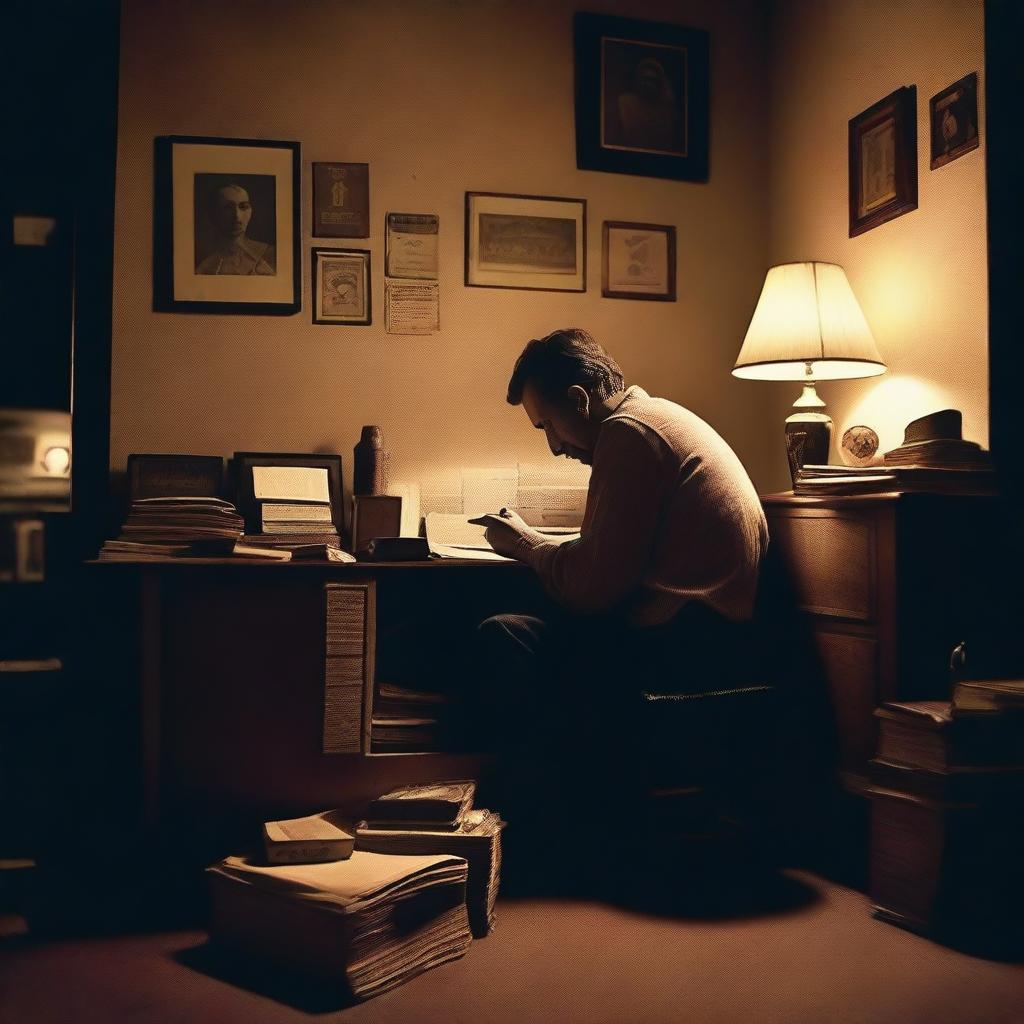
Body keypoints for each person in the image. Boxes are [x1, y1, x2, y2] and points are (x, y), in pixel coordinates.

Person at [465, 328, 769, 850]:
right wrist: (542, 546)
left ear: (580, 400)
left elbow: (591, 590)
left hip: (690, 643)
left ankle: (557, 824)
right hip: (717, 632)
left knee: (503, 634)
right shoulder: (659, 419)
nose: (555, 446)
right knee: (531, 620)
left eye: (548, 427)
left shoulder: (628, 434)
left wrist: (525, 545)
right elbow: (611, 559)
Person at [195, 182, 276, 276]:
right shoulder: (205, 268)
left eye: (243, 207)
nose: (237, 216)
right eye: (228, 208)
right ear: (214, 214)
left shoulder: (270, 253)